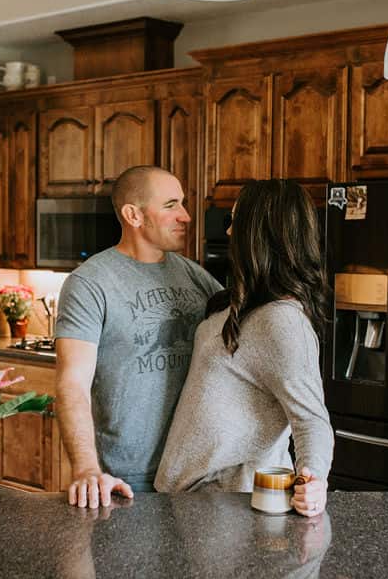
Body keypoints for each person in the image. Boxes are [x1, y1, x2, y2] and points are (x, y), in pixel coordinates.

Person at [154, 180, 333, 517]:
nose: (230, 231)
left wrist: (315, 482)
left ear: (258, 234)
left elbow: (311, 420)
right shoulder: (239, 302)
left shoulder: (283, 321)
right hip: (193, 498)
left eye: (236, 220)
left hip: (229, 504)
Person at [55, 165, 223, 508]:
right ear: (133, 215)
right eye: (171, 205)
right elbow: (72, 384)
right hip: (126, 479)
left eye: (183, 204)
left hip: (197, 474)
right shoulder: (90, 283)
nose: (186, 216)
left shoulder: (194, 276)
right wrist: (87, 468)